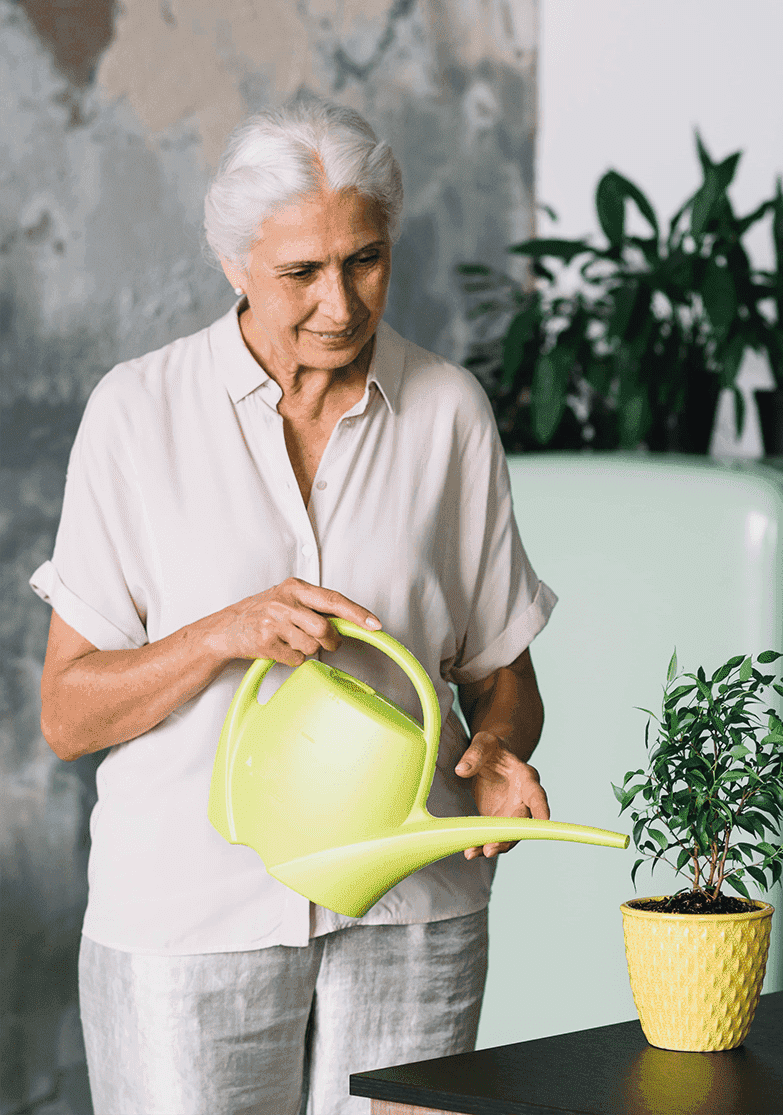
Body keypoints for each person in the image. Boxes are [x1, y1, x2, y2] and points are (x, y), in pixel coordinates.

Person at [31, 96, 556, 1115]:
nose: (341, 302)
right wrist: (224, 632)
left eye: (363, 258)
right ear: (233, 266)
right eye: (299, 273)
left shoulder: (447, 410)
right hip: (190, 919)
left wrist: (497, 746)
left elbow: (503, 673)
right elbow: (68, 712)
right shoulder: (137, 414)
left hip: (413, 908)